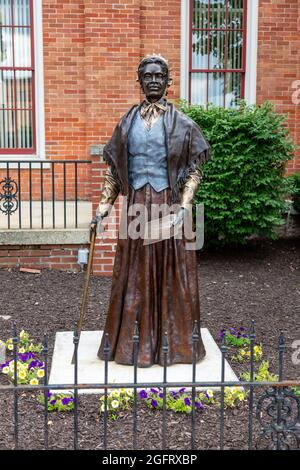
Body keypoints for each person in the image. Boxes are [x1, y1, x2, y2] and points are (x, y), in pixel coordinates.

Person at [96, 54, 211, 367]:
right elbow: (115, 170)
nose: (154, 80)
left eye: (159, 75)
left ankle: (171, 345)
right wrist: (105, 204)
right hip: (135, 205)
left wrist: (185, 206)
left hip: (168, 206)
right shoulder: (127, 122)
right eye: (148, 76)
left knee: (171, 274)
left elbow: (193, 170)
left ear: (168, 80)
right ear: (140, 81)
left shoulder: (183, 124)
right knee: (134, 277)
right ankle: (133, 345)